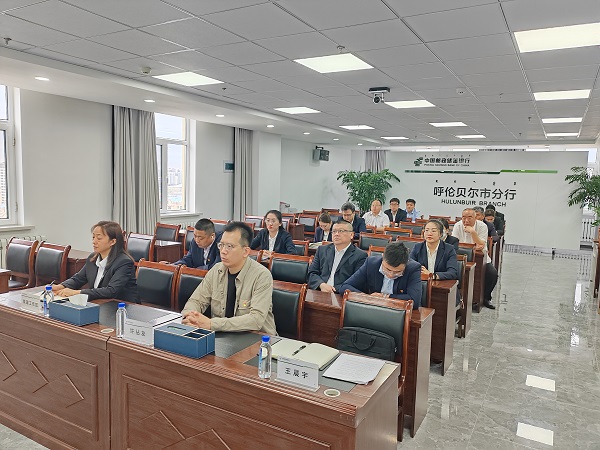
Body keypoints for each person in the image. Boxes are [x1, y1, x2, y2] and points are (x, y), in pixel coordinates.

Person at [182, 222, 276, 334]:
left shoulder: (261, 276)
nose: (223, 251)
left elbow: (255, 320)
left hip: (257, 338)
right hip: (224, 335)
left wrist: (212, 324)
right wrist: (190, 317)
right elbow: (196, 301)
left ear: (245, 251)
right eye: (221, 245)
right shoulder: (216, 270)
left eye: (229, 246)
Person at [53, 221, 138, 303]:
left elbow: (111, 291)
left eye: (99, 238)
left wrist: (77, 292)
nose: (94, 242)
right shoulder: (92, 258)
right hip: (99, 303)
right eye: (93, 237)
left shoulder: (124, 262)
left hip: (121, 306)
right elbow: (78, 279)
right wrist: (60, 286)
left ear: (112, 241)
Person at [340, 242, 422, 308]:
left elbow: (414, 301)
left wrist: (385, 297)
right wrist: (368, 297)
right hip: (372, 307)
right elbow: (345, 287)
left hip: (398, 311)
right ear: (382, 257)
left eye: (397, 272)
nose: (391, 275)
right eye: (387, 270)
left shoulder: (413, 268)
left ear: (406, 263)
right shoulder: (371, 264)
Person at [452, 208, 498, 309]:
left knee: (492, 274)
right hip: (462, 258)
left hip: (481, 258)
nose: (466, 220)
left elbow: (481, 244)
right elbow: (454, 245)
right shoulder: (457, 226)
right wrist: (472, 246)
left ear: (475, 217)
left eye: (469, 217)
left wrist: (473, 232)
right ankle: (461, 299)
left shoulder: (482, 226)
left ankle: (485, 298)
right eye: (464, 217)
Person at [308, 220, 368, 293]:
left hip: (341, 294)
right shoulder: (322, 250)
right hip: (320, 290)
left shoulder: (360, 255)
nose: (336, 234)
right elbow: (312, 273)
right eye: (334, 231)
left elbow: (356, 282)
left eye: (341, 231)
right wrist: (321, 284)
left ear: (351, 235)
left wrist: (333, 289)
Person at [410, 220, 459, 304]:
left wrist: (432, 275)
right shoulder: (418, 247)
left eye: (433, 231)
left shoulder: (449, 249)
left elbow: (453, 272)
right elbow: (410, 266)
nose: (429, 233)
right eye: (426, 230)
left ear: (440, 234)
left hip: (441, 288)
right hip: (421, 285)